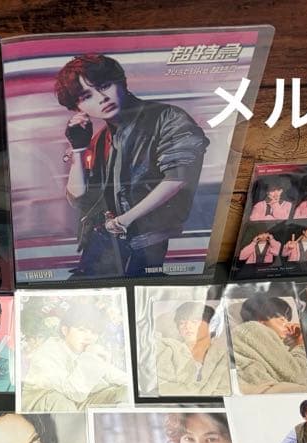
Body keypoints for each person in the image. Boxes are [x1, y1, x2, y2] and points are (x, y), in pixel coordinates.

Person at [56, 53, 209, 276]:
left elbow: (177, 178)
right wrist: (78, 149)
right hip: (106, 240)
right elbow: (79, 199)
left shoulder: (168, 117)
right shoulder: (99, 139)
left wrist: (124, 220)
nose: (101, 98)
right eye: (87, 96)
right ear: (79, 108)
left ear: (121, 81)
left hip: (150, 239)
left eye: (104, 86)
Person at [20, 303, 129, 411]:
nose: (89, 337)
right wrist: (91, 358)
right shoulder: (46, 353)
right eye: (82, 330)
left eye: (94, 333)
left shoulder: (86, 351)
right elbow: (74, 392)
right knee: (60, 402)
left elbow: (121, 377)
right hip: (43, 405)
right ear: (65, 330)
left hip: (77, 404)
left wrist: (104, 363)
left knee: (126, 391)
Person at [230, 294, 307, 394]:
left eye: (287, 320)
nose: (287, 324)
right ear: (260, 319)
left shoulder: (270, 341)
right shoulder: (254, 329)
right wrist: (301, 343)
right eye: (281, 318)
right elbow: (297, 375)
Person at [154, 301, 229, 397]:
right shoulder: (170, 350)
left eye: (194, 322)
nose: (187, 327)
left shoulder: (224, 356)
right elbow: (164, 388)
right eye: (182, 323)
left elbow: (226, 390)